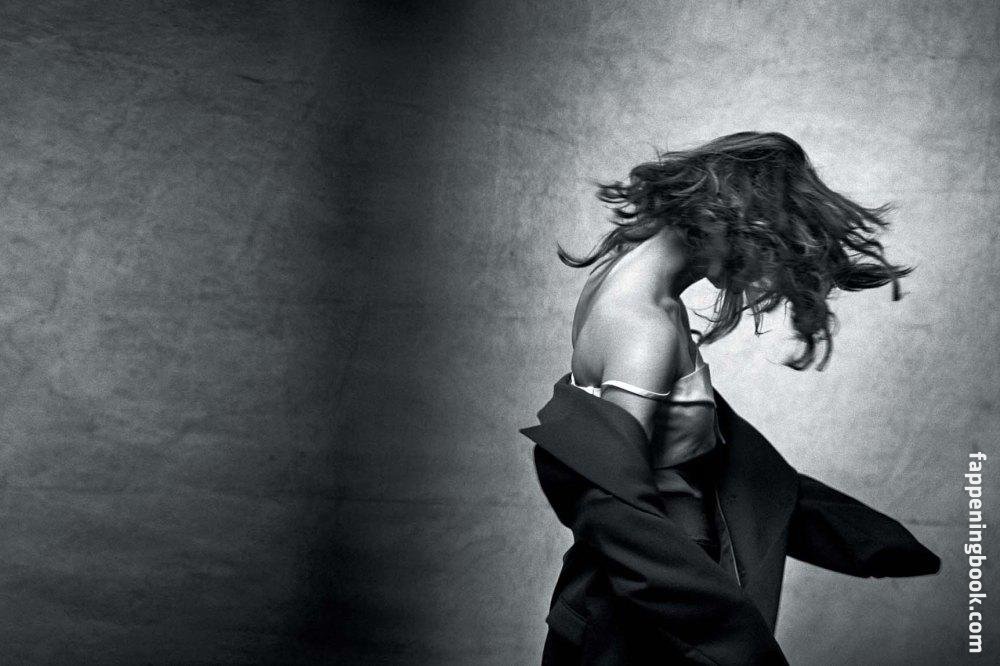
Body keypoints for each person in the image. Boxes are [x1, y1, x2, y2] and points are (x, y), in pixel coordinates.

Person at [520, 132, 940, 665]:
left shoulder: (624, 278)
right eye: (764, 243)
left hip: (659, 590)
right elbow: (617, 509)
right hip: (654, 614)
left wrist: (852, 534)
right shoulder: (643, 326)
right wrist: (740, 648)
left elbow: (694, 454)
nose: (763, 270)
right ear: (724, 212)